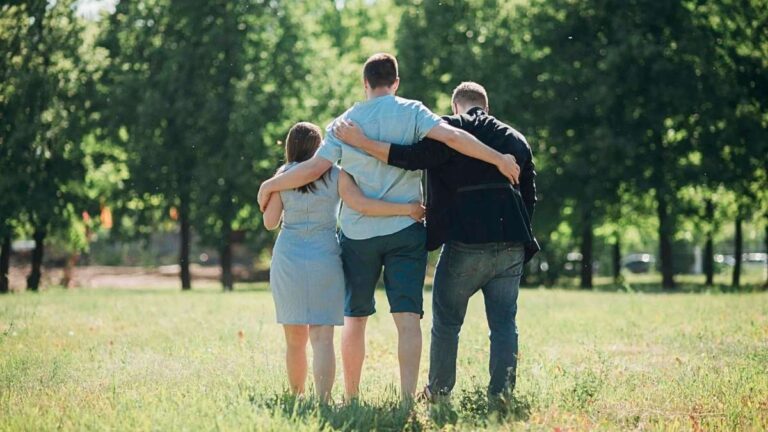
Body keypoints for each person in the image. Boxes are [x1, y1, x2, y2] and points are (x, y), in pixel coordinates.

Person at [258, 54, 521, 400]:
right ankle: (408, 398)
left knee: (355, 319)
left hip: (357, 235)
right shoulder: (413, 111)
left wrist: (269, 185)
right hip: (406, 228)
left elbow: (311, 170)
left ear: (364, 83)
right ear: (396, 82)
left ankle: (351, 397)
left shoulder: (344, 123)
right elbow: (455, 138)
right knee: (408, 319)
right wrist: (498, 158)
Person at [333, 81, 538, 400]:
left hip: (465, 241)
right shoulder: (516, 139)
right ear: (487, 106)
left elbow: (407, 157)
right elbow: (530, 198)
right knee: (503, 325)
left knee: (446, 322)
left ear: (455, 106)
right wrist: (520, 244)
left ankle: (439, 392)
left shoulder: (447, 131)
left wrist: (361, 141)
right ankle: (502, 396)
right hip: (511, 241)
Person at [262, 122, 425, 402]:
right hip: (325, 255)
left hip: (289, 258)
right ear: (318, 148)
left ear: (290, 147)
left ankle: (297, 396)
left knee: (294, 339)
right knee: (322, 337)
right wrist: (406, 209)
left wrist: (266, 193)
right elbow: (361, 204)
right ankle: (324, 401)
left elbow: (269, 222)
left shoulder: (281, 177)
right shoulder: (336, 174)